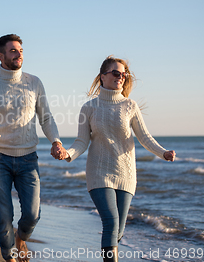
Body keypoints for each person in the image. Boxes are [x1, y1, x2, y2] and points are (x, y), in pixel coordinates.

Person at [52, 56, 176, 262]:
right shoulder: (88, 108)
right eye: (116, 73)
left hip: (126, 174)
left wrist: (162, 152)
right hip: (99, 173)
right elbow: (82, 141)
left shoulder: (130, 106)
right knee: (110, 222)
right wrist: (68, 153)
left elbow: (144, 137)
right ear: (103, 77)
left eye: (123, 74)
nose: (121, 77)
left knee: (118, 229)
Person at [0, 34, 65, 262]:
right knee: (4, 215)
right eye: (13, 50)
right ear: (1, 56)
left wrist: (56, 141)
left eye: (20, 50)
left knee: (32, 215)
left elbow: (46, 118)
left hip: (28, 158)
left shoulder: (34, 82)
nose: (19, 53)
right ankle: (10, 255)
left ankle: (21, 238)